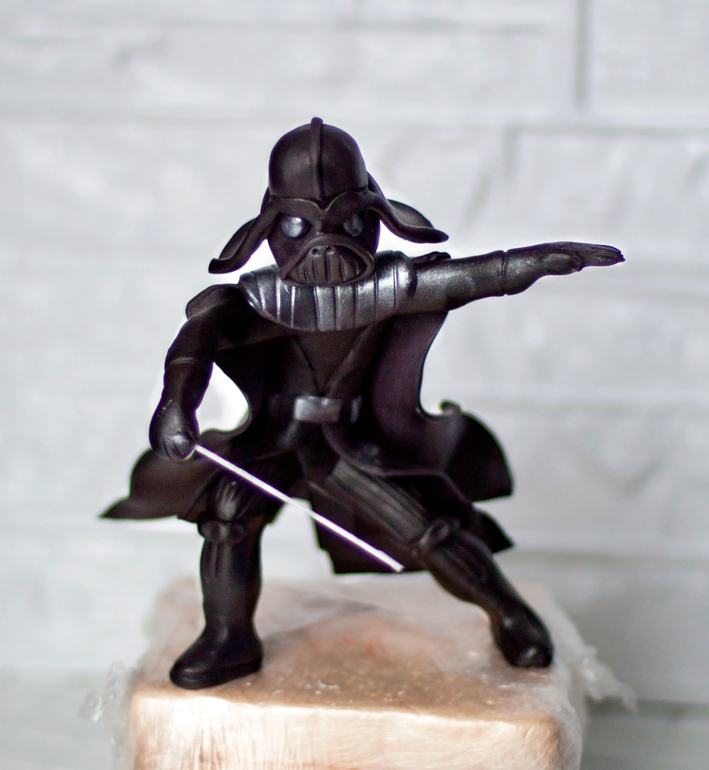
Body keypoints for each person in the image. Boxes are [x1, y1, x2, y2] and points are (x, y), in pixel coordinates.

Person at [104, 118, 623, 690]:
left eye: (348, 223)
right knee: (228, 517)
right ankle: (228, 635)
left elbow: (474, 278)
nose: (326, 246)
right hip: (274, 440)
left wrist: (543, 259)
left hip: (349, 444)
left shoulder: (394, 289)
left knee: (430, 529)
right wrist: (176, 403)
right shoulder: (255, 301)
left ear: (375, 218)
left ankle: (508, 613)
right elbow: (195, 342)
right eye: (301, 226)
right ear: (272, 229)